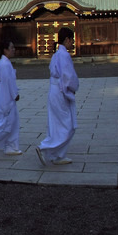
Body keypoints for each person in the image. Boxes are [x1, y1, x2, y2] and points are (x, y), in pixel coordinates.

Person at [36, 27, 79, 166]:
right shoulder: (64, 55)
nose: (72, 43)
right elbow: (68, 77)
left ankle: (57, 155)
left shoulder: (56, 55)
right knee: (68, 125)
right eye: (72, 40)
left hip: (54, 91)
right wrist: (73, 88)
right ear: (67, 39)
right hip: (61, 92)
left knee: (57, 124)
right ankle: (45, 147)